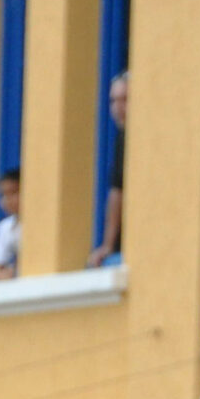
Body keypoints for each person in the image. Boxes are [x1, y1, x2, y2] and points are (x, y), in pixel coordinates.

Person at [88, 69, 126, 267]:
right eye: (113, 101)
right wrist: (108, 244)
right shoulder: (122, 136)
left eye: (125, 99)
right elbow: (116, 191)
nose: (118, 107)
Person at [0, 166, 22, 279]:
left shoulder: (40, 223)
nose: (7, 200)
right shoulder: (4, 227)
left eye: (13, 193)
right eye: (3, 195)